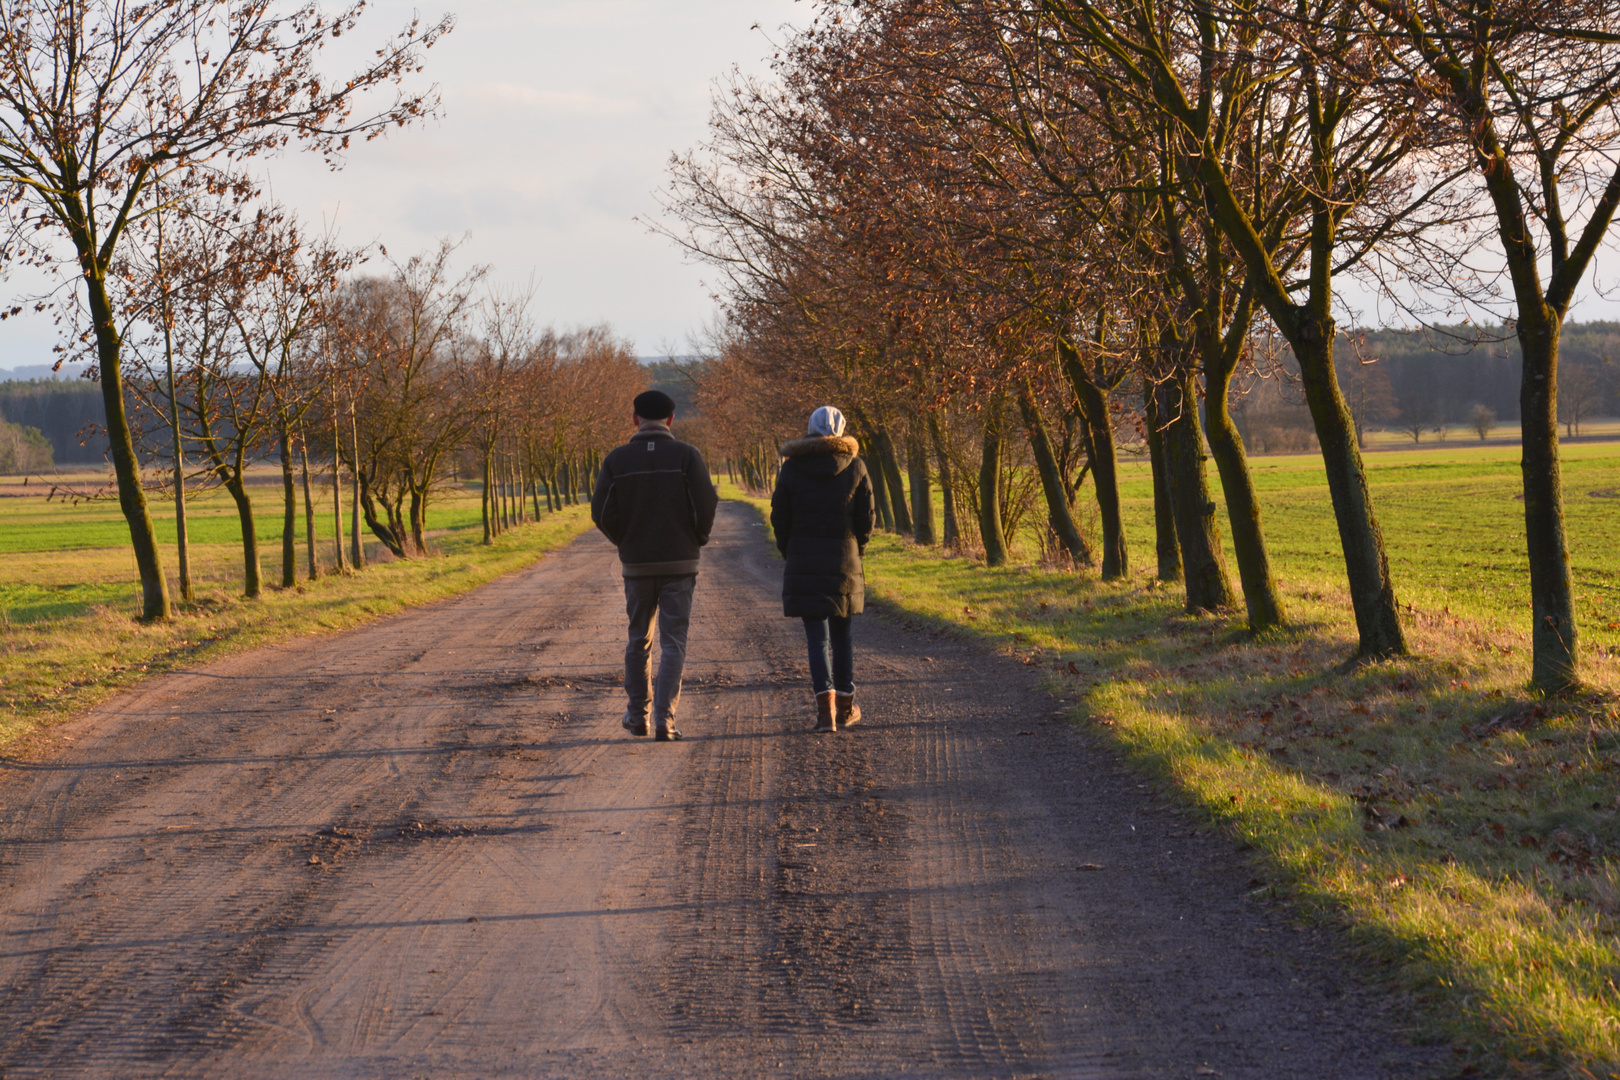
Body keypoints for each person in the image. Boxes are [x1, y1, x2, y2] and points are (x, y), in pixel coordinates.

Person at [591, 389, 719, 741]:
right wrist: (696, 539)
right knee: (674, 641)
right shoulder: (688, 456)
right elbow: (706, 504)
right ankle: (666, 720)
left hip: (637, 565)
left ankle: (637, 716)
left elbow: (600, 511)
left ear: (634, 419)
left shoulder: (616, 460)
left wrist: (626, 541)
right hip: (681, 563)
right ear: (671, 420)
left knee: (638, 640)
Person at [770, 405, 874, 733]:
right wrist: (857, 551)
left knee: (817, 637)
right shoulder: (856, 467)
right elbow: (867, 520)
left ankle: (824, 713)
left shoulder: (791, 469)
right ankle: (845, 708)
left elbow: (779, 519)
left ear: (810, 429)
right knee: (842, 635)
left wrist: (791, 552)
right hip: (844, 559)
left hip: (804, 559)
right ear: (841, 429)